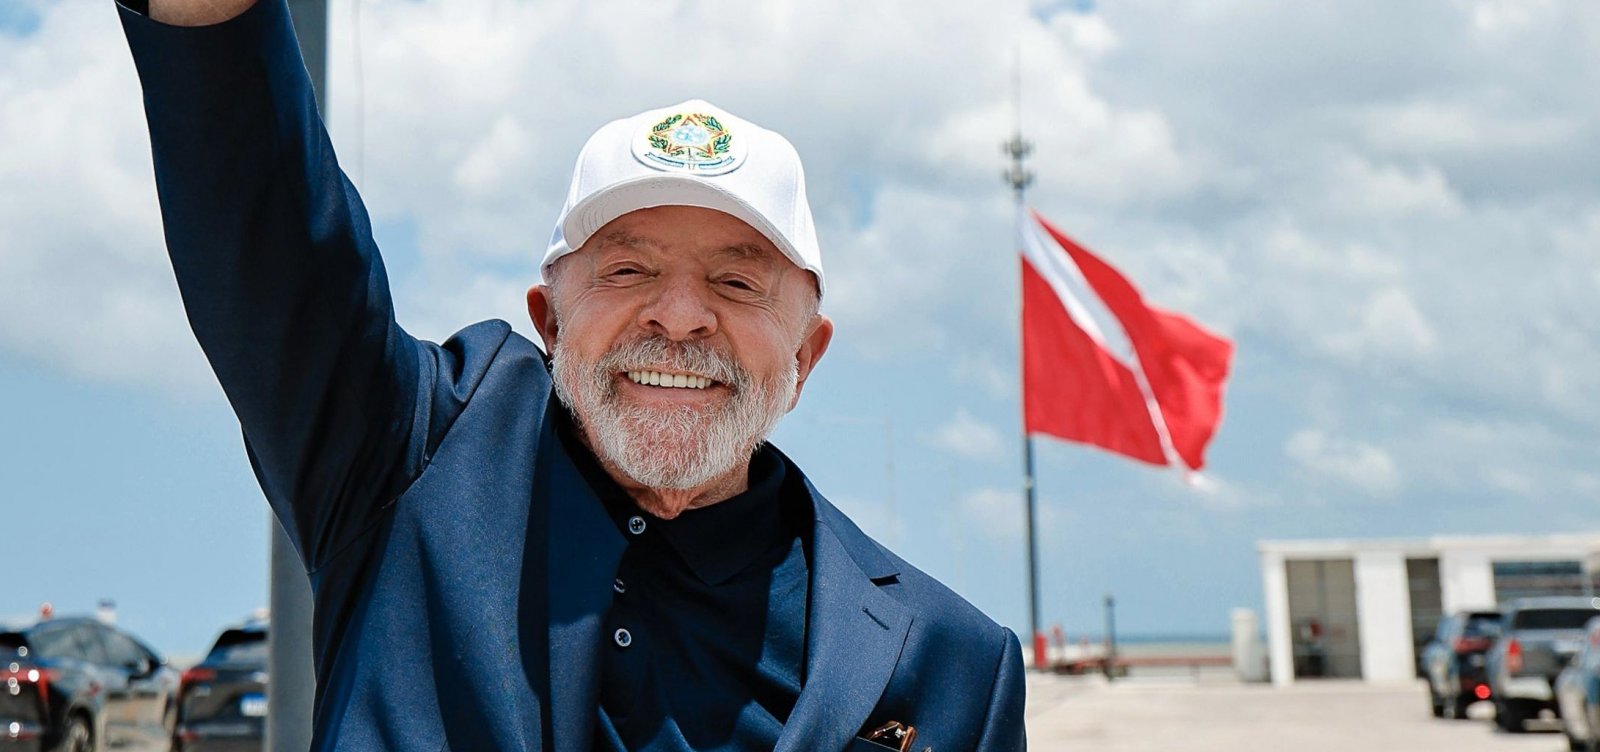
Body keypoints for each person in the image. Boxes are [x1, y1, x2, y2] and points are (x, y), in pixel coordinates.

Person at [116, 0, 1027, 749]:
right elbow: (263, 217)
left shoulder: (953, 665)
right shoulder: (408, 460)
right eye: (627, 270)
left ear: (805, 357)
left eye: (737, 281)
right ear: (548, 323)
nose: (679, 316)